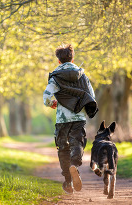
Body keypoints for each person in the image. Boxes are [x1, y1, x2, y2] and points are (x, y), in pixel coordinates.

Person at [43, 44, 98, 194]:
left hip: (62, 119)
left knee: (63, 148)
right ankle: (74, 165)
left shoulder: (55, 76)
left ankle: (68, 181)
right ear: (73, 58)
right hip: (79, 116)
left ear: (59, 61)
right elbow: (91, 95)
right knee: (77, 143)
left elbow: (46, 96)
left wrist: (52, 103)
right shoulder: (82, 75)